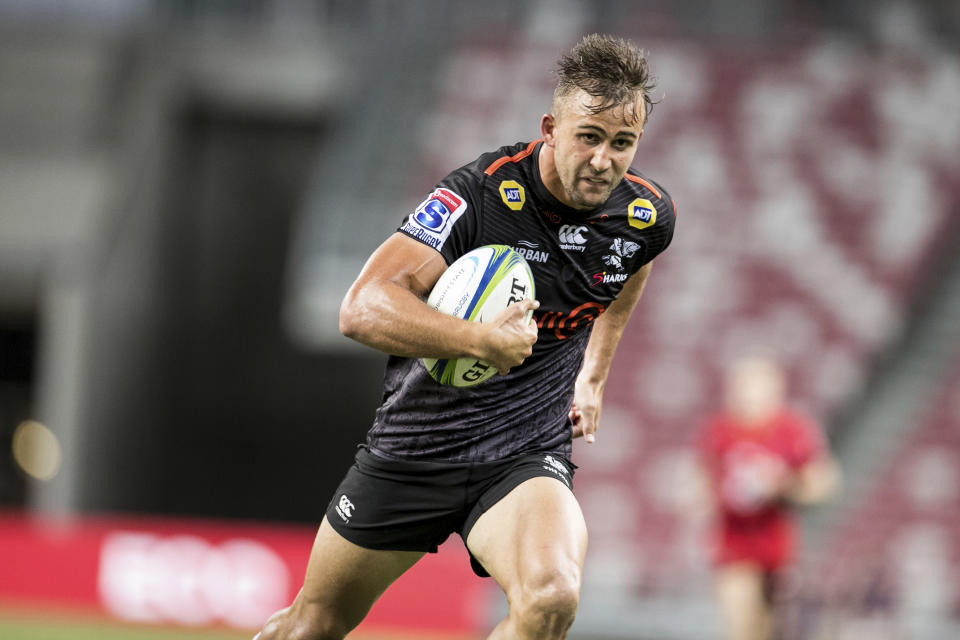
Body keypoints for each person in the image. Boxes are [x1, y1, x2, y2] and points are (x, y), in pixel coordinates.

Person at [256, 33, 676, 640]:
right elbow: (361, 308)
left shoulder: (645, 215)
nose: (604, 160)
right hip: (415, 448)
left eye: (623, 143)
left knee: (552, 597)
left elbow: (634, 261)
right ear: (551, 127)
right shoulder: (479, 195)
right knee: (313, 624)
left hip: (524, 453)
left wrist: (594, 373)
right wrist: (480, 341)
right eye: (589, 137)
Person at [696, 356, 840, 640]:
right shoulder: (719, 430)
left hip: (778, 544)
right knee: (740, 625)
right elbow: (702, 479)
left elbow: (823, 483)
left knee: (769, 629)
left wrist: (783, 485)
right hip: (733, 542)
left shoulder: (793, 429)